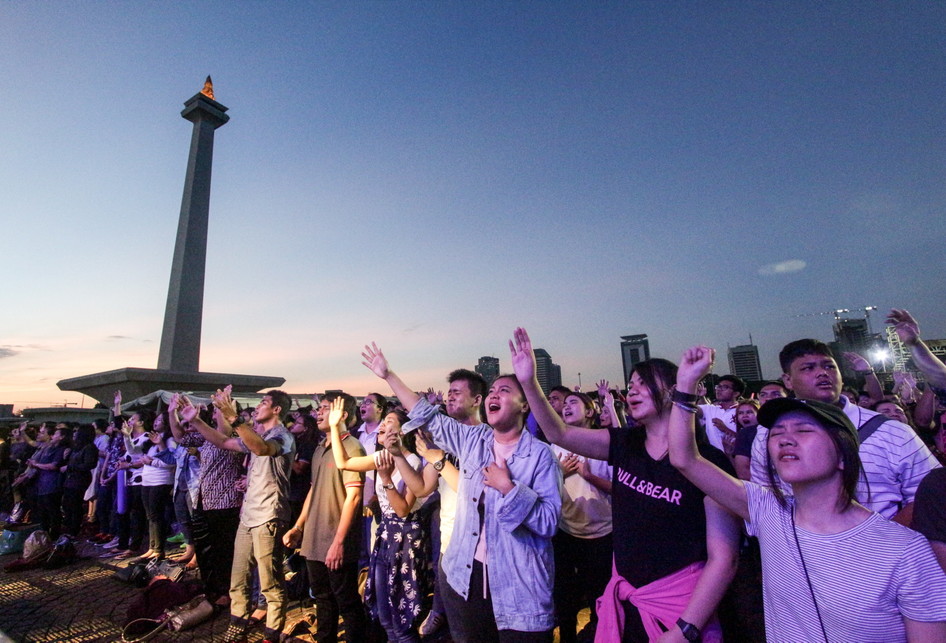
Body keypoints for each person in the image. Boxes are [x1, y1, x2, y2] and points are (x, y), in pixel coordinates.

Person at [668, 344, 946, 642]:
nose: (786, 440)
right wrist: (685, 386)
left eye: (803, 431)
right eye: (777, 433)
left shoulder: (905, 551)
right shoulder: (769, 513)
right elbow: (685, 459)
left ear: (843, 454)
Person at [509, 328, 739, 643]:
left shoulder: (708, 462)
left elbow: (724, 558)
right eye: (631, 385)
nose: (632, 391)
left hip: (678, 610)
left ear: (675, 390)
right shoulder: (626, 443)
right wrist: (529, 381)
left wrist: (685, 629)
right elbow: (559, 433)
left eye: (644, 383)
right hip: (627, 599)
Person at [364, 341, 562, 642]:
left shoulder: (540, 456)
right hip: (465, 575)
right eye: (492, 391)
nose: (495, 394)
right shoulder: (475, 440)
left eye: (505, 391)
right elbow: (426, 414)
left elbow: (548, 523)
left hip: (517, 583)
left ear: (525, 405)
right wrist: (388, 374)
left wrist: (509, 488)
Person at [749, 338, 940, 524]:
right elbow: (765, 495)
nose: (822, 373)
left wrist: (883, 540)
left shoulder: (893, 432)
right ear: (788, 380)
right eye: (808, 368)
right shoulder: (767, 434)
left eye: (829, 366)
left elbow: (930, 495)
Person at [185, 388, 295, 643]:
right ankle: (237, 625)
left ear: (277, 409)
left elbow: (261, 449)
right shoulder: (258, 433)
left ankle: (272, 633)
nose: (258, 407)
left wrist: (234, 418)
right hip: (248, 515)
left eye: (264, 403)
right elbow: (224, 442)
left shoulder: (283, 436)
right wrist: (196, 420)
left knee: (270, 582)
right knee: (238, 578)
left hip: (269, 515)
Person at [328, 397, 431, 643]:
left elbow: (404, 510)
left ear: (403, 431)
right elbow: (344, 462)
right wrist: (335, 427)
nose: (383, 426)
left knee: (402, 619)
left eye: (390, 422)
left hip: (406, 540)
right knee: (385, 618)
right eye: (383, 421)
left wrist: (385, 479)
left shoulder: (413, 462)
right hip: (386, 535)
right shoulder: (382, 455)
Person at [283, 393, 368, 643]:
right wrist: (299, 526)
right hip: (314, 538)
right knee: (321, 597)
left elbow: (353, 498)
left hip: (336, 539)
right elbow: (314, 488)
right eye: (318, 408)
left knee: (347, 601)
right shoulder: (321, 447)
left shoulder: (352, 447)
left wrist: (339, 542)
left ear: (341, 415)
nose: (318, 413)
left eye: (324, 408)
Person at [551, 391, 613, 643]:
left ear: (590, 412)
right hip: (566, 532)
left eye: (573, 402)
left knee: (600, 595)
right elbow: (545, 490)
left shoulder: (605, 443)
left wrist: (590, 477)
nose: (566, 407)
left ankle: (599, 636)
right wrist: (561, 473)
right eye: (564, 404)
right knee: (565, 596)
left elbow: (622, 488)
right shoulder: (556, 446)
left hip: (603, 533)